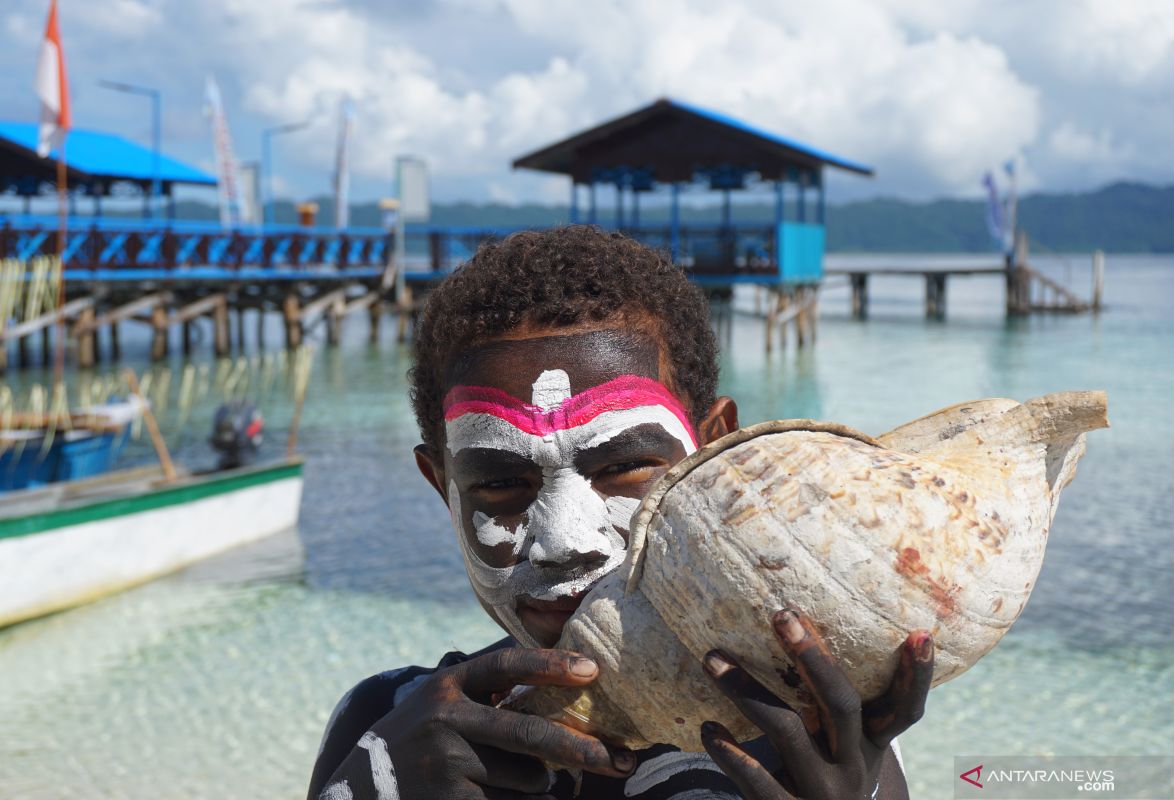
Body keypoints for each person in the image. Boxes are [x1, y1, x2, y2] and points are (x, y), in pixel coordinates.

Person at [308, 226, 933, 800]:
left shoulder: (822, 744)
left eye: (622, 467)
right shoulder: (392, 733)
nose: (565, 540)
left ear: (714, 453)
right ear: (441, 483)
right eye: (501, 480)